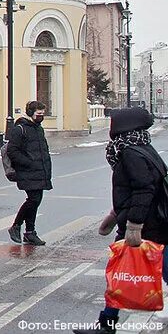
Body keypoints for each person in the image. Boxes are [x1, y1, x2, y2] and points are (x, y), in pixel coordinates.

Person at [74, 108, 167, 334]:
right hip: (155, 221)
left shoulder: (129, 153)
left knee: (119, 272)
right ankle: (107, 322)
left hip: (146, 224)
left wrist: (134, 225)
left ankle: (107, 325)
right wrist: (115, 215)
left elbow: (143, 189)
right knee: (123, 272)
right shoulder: (143, 147)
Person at [6, 100, 53, 246]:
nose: (41, 117)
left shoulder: (38, 128)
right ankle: (16, 226)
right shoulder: (20, 129)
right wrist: (29, 163)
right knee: (33, 199)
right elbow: (12, 151)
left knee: (36, 201)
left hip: (39, 171)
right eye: (39, 114)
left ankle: (30, 232)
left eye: (42, 114)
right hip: (27, 171)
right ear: (31, 113)